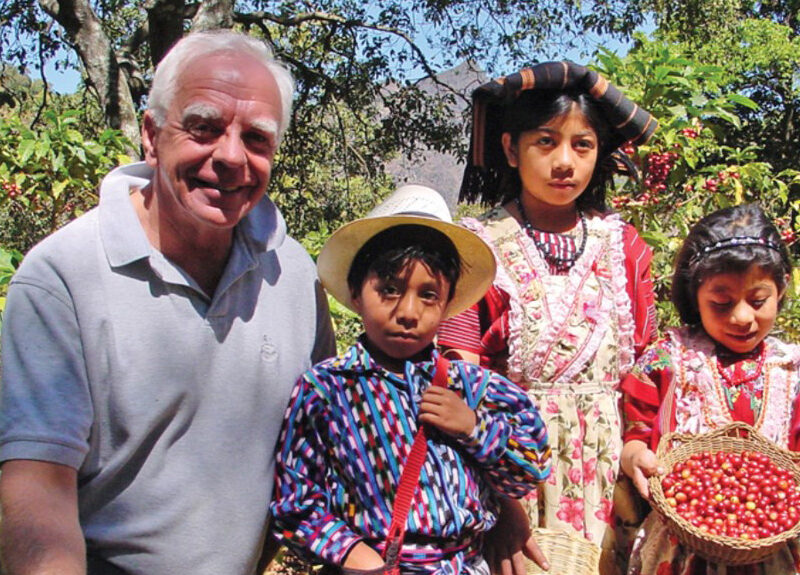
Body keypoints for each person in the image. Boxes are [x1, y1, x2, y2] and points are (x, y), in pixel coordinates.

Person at [0, 30, 335, 575]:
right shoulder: (62, 276)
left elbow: (327, 433)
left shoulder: (293, 273)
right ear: (152, 136)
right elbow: (36, 495)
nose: (230, 157)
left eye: (256, 139)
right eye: (203, 128)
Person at [436, 61, 659, 574]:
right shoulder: (476, 248)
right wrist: (503, 503)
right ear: (512, 149)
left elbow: (646, 370)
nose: (565, 162)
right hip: (512, 472)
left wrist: (636, 447)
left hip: (612, 480)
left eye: (583, 145)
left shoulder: (623, 246)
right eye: (546, 142)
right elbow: (460, 380)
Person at [269, 184, 552, 575]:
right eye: (388, 290)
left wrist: (474, 427)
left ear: (448, 303)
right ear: (355, 293)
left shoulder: (473, 389)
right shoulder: (327, 391)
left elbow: (531, 469)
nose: (407, 311)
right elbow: (295, 501)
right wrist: (358, 557)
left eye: (428, 295)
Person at [621, 203, 800, 574]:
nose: (741, 318)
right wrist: (635, 456)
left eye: (758, 301)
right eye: (721, 303)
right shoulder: (667, 360)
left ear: (780, 291)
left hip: (773, 550)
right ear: (694, 296)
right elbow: (635, 433)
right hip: (679, 549)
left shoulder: (792, 369)